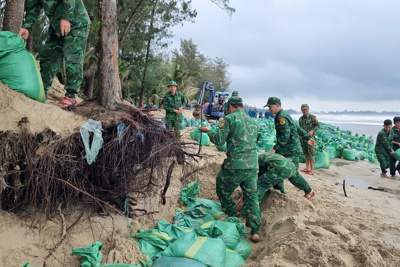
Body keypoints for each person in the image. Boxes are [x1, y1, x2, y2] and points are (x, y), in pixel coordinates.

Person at [199, 97, 261, 242]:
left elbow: (220, 140)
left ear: (231, 107)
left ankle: (232, 214)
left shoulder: (229, 118)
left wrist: (208, 131)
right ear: (242, 107)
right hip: (252, 165)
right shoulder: (253, 121)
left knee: (222, 186)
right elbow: (252, 141)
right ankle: (255, 231)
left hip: (235, 165)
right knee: (252, 198)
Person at [19, 0, 90, 106]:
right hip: (56, 26)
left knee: (72, 58)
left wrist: (66, 18)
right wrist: (26, 26)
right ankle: (42, 91)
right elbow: (34, 7)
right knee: (49, 54)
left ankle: (71, 96)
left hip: (76, 22)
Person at [264, 97, 315, 199]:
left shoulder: (282, 117)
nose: (269, 109)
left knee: (292, 173)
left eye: (270, 106)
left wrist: (274, 148)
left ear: (277, 105)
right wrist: (307, 137)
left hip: (291, 150)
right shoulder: (281, 115)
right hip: (284, 149)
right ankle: (280, 191)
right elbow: (296, 127)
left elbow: (285, 136)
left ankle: (309, 190)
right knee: (278, 168)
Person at [298, 104, 319, 175]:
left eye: (306, 109)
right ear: (301, 110)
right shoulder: (300, 119)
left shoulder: (313, 117)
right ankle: (307, 168)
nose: (304, 111)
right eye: (303, 110)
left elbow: (317, 126)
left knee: (311, 154)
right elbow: (300, 129)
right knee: (306, 153)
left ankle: (312, 170)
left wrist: (312, 130)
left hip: (310, 139)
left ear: (308, 109)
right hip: (303, 139)